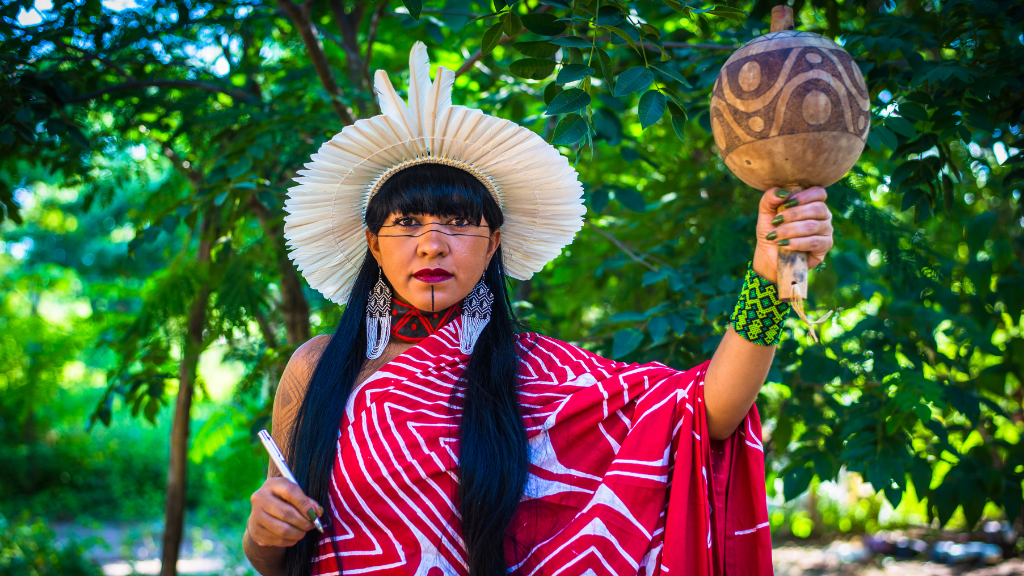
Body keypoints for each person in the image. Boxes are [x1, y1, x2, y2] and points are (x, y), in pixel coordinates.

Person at [242, 43, 833, 576]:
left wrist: (770, 274)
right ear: (373, 244)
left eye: (458, 223)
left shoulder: (542, 373)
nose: (432, 243)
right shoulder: (315, 368)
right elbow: (272, 556)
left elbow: (706, 412)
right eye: (407, 224)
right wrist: (264, 528)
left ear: (494, 242)